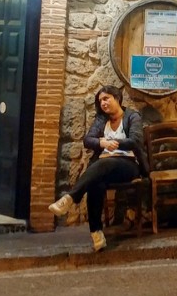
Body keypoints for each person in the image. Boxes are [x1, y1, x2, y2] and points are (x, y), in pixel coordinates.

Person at [49, 85, 148, 252]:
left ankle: (71, 197)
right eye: (100, 100)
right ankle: (97, 234)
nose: (103, 103)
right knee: (95, 183)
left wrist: (113, 143)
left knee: (104, 163)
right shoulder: (102, 119)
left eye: (106, 98)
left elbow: (135, 140)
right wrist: (102, 143)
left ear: (117, 99)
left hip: (128, 165)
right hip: (104, 166)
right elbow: (88, 140)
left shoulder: (132, 116)